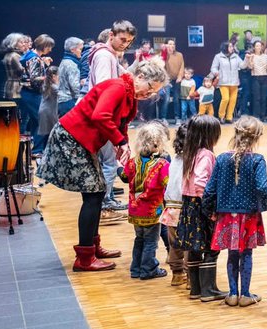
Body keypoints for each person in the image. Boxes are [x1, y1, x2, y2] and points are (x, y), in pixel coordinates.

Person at [38, 59, 169, 272]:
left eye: (155, 92)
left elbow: (120, 123)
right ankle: (85, 257)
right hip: (72, 138)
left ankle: (92, 247)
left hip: (82, 141)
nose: (151, 94)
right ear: (141, 77)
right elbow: (100, 116)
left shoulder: (129, 94)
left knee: (96, 194)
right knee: (94, 194)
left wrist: (122, 144)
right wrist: (119, 141)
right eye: (151, 88)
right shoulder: (118, 87)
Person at [204, 116, 267, 308]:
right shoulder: (257, 160)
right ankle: (245, 294)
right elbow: (262, 187)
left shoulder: (221, 159)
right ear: (256, 138)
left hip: (227, 214)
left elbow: (209, 189)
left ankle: (232, 294)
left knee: (232, 254)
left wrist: (208, 211)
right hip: (249, 215)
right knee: (246, 254)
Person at [173, 115, 225, 301]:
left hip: (189, 205)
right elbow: (201, 181)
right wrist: (210, 207)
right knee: (212, 247)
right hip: (201, 205)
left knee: (195, 247)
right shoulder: (206, 155)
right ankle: (208, 290)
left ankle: (196, 289)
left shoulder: (190, 152)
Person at [120, 121, 171, 281]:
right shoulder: (162, 164)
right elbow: (167, 184)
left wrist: (118, 168)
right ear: (158, 143)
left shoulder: (133, 162)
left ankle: (136, 268)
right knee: (151, 241)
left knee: (139, 239)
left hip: (135, 210)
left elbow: (123, 177)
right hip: (152, 211)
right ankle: (148, 269)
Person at [162, 122, 188, 288]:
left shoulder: (176, 159)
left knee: (175, 243)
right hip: (185, 205)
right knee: (189, 243)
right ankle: (190, 276)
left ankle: (177, 275)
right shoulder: (194, 159)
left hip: (170, 205)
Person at [209, 41, 243, 123]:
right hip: (223, 82)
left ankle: (229, 117)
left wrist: (247, 59)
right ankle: (221, 116)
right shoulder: (218, 56)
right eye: (230, 46)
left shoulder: (236, 56)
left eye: (232, 46)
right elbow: (213, 68)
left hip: (234, 82)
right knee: (225, 99)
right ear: (225, 47)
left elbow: (242, 65)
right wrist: (216, 72)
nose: (232, 48)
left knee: (233, 100)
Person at [57, 37, 84, 118]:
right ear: (72, 50)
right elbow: (75, 86)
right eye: (80, 49)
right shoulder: (71, 64)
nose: (82, 52)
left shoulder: (64, 61)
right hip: (68, 102)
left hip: (62, 101)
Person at [245, 40, 267, 121]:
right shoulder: (252, 56)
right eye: (257, 46)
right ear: (254, 47)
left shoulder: (265, 56)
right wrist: (250, 60)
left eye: (260, 46)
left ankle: (263, 116)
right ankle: (256, 116)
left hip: (264, 77)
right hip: (255, 77)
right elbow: (250, 67)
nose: (259, 47)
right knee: (256, 98)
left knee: (263, 98)